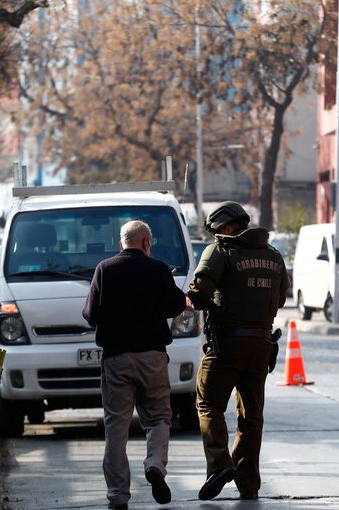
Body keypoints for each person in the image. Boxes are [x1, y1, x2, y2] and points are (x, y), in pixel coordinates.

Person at [187, 201, 289, 501]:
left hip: (227, 344)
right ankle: (249, 483)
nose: (215, 236)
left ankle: (220, 464)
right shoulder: (273, 255)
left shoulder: (219, 252)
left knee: (208, 403)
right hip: (261, 345)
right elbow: (281, 299)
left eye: (217, 231)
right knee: (251, 415)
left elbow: (200, 296)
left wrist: (191, 293)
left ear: (229, 227)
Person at [82, 220, 187, 510]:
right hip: (152, 357)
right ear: (146, 243)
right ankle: (155, 464)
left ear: (121, 243)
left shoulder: (105, 268)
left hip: (116, 359)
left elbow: (90, 315)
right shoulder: (158, 269)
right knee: (158, 418)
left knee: (116, 427)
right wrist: (163, 282)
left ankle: (118, 496)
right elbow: (176, 305)